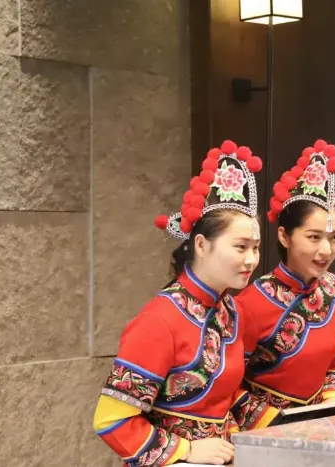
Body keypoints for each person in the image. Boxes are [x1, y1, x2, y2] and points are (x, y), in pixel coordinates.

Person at [92, 140, 264, 466]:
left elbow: (224, 397)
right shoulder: (160, 320)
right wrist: (185, 450)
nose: (251, 259)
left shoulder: (232, 312)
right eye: (241, 247)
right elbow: (111, 420)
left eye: (255, 248)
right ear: (201, 245)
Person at [234, 138, 335, 430]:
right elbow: (226, 383)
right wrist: (276, 424)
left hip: (324, 425)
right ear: (284, 237)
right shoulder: (250, 302)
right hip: (265, 433)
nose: (326, 251)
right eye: (314, 237)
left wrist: (331, 399)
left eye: (334, 238)